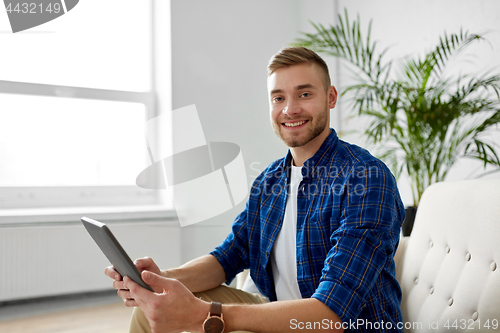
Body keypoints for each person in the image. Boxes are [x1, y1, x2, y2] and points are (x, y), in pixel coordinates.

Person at [105, 46, 405, 333]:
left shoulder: (366, 178)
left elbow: (331, 314)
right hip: (278, 312)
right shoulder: (270, 181)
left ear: (330, 97)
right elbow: (228, 257)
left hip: (333, 325)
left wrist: (205, 315)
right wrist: (158, 280)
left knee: (223, 326)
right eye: (278, 98)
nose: (290, 109)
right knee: (152, 306)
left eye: (304, 93)